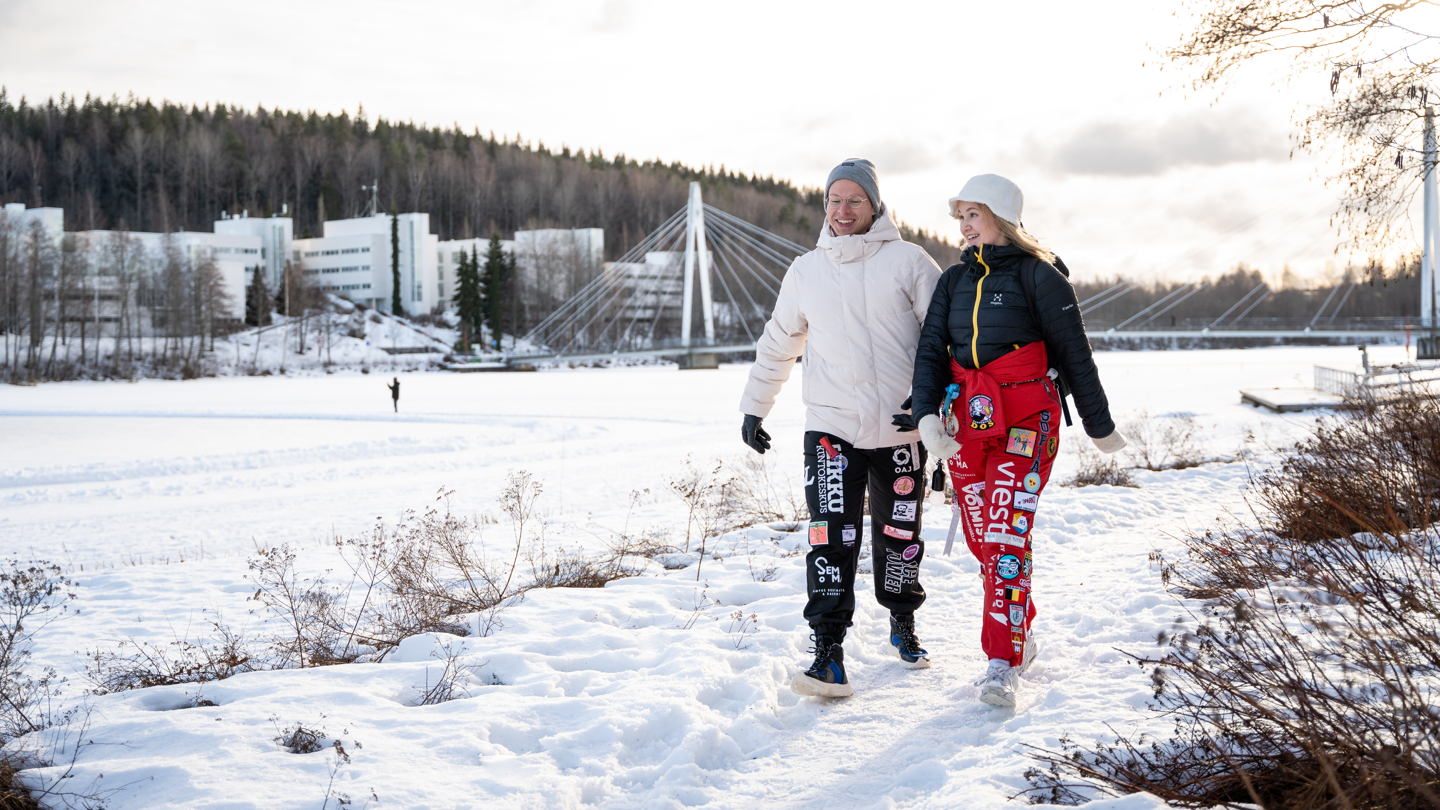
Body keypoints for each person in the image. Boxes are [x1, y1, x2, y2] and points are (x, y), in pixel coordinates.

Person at [907, 174, 1126, 708]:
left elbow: (1076, 353)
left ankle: (1001, 662)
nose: (963, 225)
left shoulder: (1041, 276)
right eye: (959, 216)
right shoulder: (953, 281)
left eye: (973, 214)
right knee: (988, 544)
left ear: (1001, 217)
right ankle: (1019, 634)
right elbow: (932, 349)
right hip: (968, 424)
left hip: (1029, 421)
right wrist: (926, 416)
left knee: (1005, 537)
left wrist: (1098, 425)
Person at [739, 158, 942, 698]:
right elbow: (780, 341)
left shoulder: (910, 262)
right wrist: (755, 406)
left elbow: (943, 344)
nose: (844, 210)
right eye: (835, 200)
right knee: (830, 537)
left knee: (899, 538)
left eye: (855, 200)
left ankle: (903, 623)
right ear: (824, 206)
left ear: (875, 205)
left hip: (901, 431)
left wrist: (936, 413)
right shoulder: (806, 270)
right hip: (831, 429)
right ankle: (827, 651)